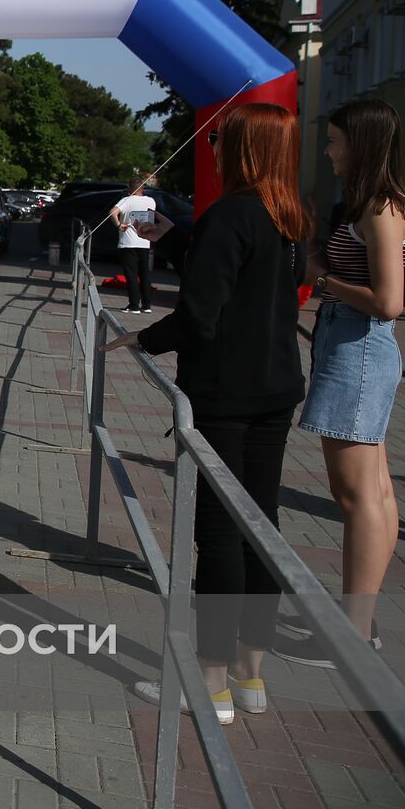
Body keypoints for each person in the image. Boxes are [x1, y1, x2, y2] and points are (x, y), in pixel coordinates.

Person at [102, 103, 310, 724]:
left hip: (225, 391)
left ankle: (210, 683)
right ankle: (250, 677)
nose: (214, 149)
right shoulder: (291, 216)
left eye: (223, 139)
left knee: (219, 533)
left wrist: (142, 339)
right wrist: (185, 242)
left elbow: (200, 315)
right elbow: (250, 288)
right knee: (261, 525)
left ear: (245, 149)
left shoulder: (231, 215)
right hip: (275, 388)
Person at [275, 99, 405, 668]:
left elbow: (388, 302)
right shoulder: (370, 203)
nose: (328, 151)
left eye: (334, 141)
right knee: (374, 492)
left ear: (362, 143)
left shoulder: (380, 209)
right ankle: (358, 625)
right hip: (351, 345)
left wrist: (324, 279)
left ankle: (352, 633)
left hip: (358, 347)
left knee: (358, 496)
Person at [109, 172, 157, 314]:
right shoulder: (151, 201)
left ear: (129, 188)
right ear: (143, 188)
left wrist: (119, 225)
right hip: (144, 242)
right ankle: (147, 305)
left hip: (128, 242)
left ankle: (134, 305)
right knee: (145, 274)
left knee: (131, 275)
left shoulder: (126, 200)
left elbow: (112, 212)